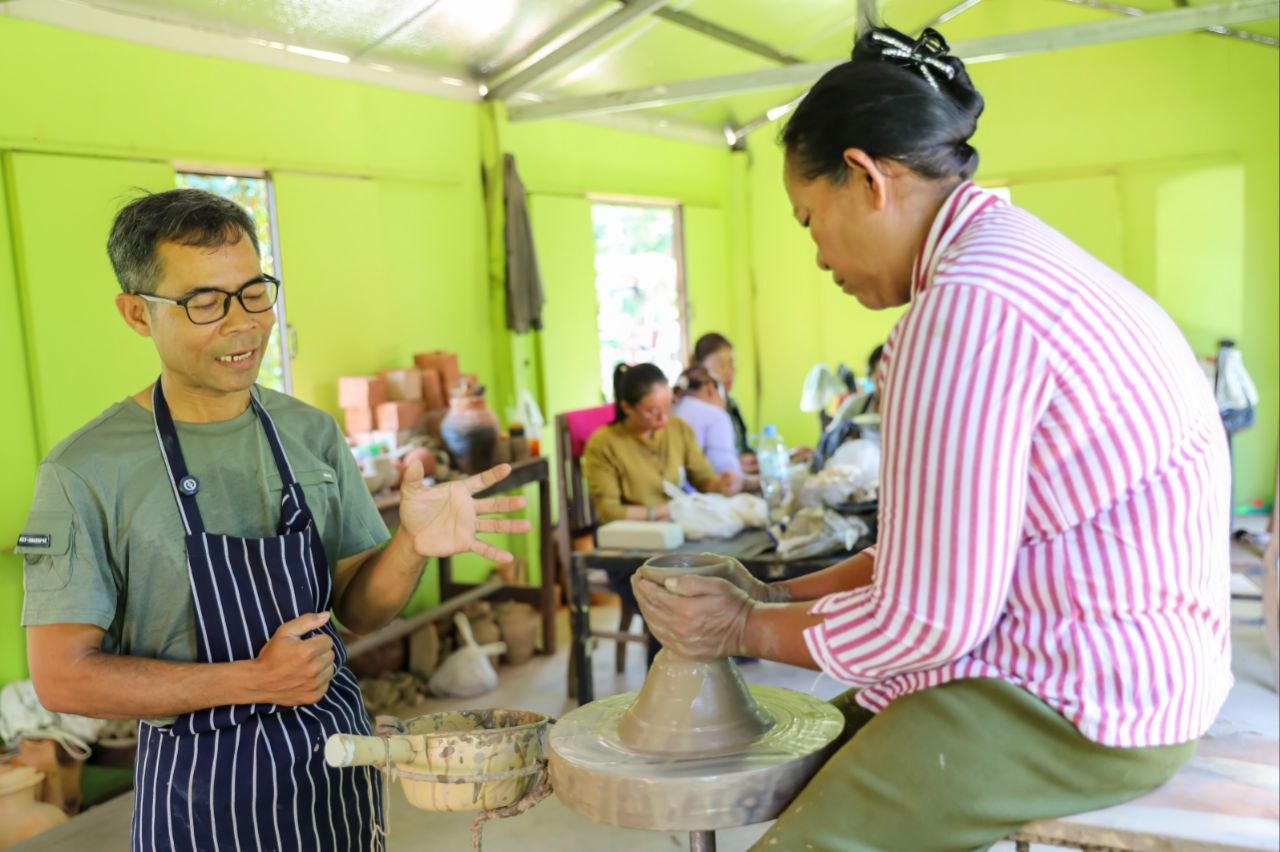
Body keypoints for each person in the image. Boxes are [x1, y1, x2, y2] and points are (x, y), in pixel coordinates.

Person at [633, 25, 1230, 851]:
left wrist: (740, 629)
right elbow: (935, 555)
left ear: (866, 178)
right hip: (1132, 661)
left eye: (809, 220)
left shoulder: (965, 309)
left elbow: (929, 618)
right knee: (809, 751)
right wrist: (775, 594)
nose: (818, 255)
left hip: (1086, 695)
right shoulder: (1011, 259)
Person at [15, 188, 530, 852]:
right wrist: (254, 681)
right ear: (137, 313)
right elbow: (62, 676)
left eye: (254, 292)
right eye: (205, 302)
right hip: (202, 802)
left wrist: (410, 545)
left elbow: (360, 611)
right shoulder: (85, 470)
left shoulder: (308, 433)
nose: (244, 324)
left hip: (337, 771)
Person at [582, 362, 742, 525]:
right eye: (652, 411)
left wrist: (721, 484)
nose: (663, 417)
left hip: (677, 524)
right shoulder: (603, 444)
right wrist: (667, 511)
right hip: (634, 532)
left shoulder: (678, 428)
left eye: (668, 406)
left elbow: (703, 478)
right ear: (626, 408)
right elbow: (609, 511)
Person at [691, 332, 756, 473]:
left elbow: (744, 449)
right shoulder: (695, 410)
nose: (729, 371)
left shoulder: (731, 404)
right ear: (700, 369)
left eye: (731, 364)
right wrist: (732, 463)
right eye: (721, 365)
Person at [672, 365, 746, 482]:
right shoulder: (716, 416)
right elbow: (727, 474)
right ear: (711, 389)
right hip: (698, 490)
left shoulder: (670, 410)